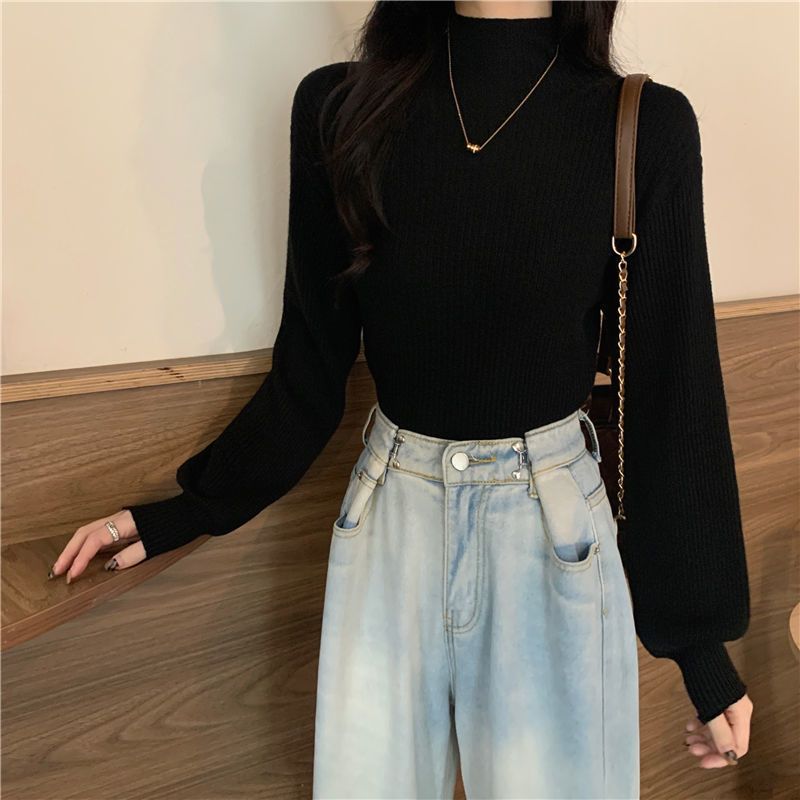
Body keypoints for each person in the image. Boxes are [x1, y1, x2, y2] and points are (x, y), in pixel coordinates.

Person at [49, 1, 753, 796]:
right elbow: (310, 370)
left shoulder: (641, 126)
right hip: (390, 522)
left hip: (552, 537)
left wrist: (701, 653)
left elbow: (668, 391)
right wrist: (182, 512)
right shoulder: (342, 111)